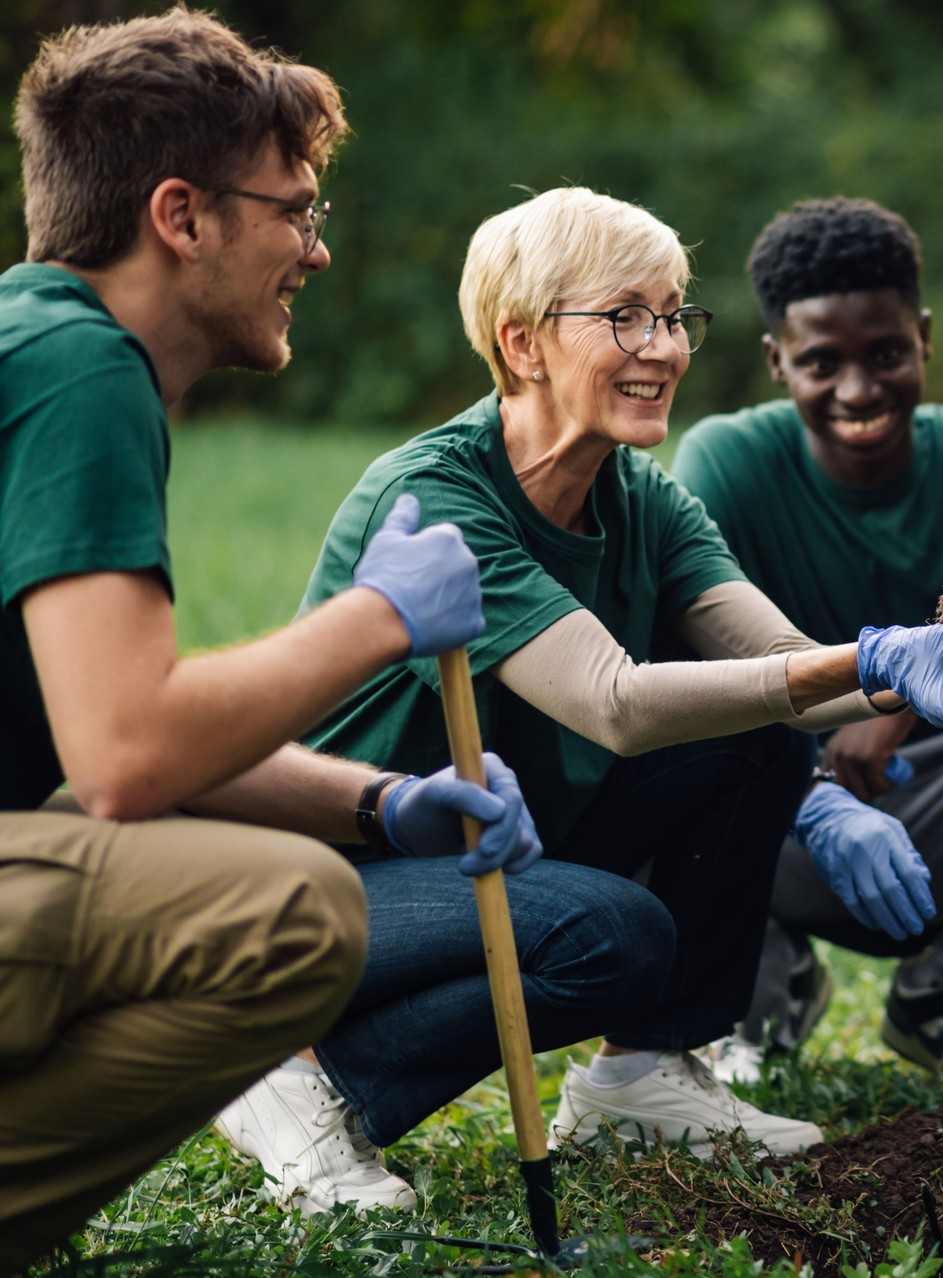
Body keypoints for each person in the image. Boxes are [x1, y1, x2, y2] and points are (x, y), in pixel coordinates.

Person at [267, 187, 943, 1201]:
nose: (667, 347)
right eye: (625, 316)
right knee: (615, 933)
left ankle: (644, 1070)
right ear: (522, 341)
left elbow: (784, 667)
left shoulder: (640, 495)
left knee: (758, 736)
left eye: (674, 314)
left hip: (496, 845)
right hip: (339, 873)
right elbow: (614, 702)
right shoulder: (439, 501)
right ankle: (307, 1084)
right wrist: (882, 662)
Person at [0, 12, 532, 1269]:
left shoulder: (42, 344)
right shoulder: (79, 371)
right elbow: (130, 757)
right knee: (290, 915)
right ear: (181, 216)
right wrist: (381, 617)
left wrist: (385, 798)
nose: (318, 250)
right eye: (294, 210)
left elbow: (102, 731)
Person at [674, 197, 943, 1075]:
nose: (859, 390)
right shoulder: (728, 463)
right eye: (821, 363)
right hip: (782, 814)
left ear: (925, 337)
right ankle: (752, 998)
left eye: (886, 354)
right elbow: (683, 673)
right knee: (661, 765)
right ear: (774, 360)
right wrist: (824, 761)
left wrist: (906, 702)